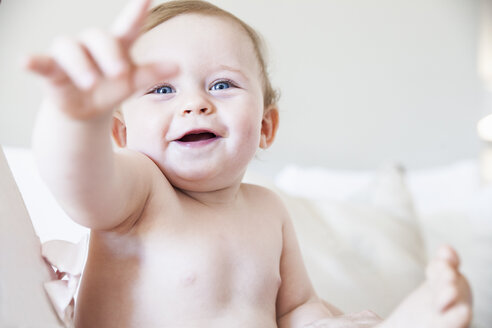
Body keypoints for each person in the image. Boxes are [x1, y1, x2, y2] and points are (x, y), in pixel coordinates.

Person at [25, 0, 472, 327]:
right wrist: (75, 117)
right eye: (162, 90)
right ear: (121, 134)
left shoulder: (267, 211)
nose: (195, 103)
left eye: (222, 84)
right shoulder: (140, 191)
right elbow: (78, 180)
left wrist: (329, 323)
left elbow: (295, 308)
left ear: (265, 126)